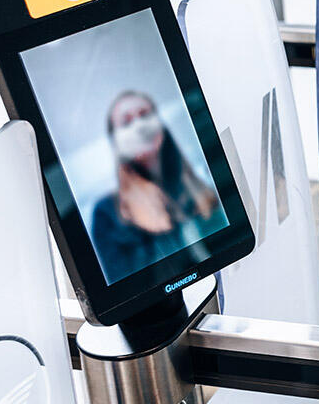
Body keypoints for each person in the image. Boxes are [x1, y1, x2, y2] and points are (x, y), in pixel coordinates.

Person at [91, 90, 223, 282]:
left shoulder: (196, 188)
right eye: (127, 122)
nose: (139, 125)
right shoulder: (107, 212)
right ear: (116, 141)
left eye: (145, 114)